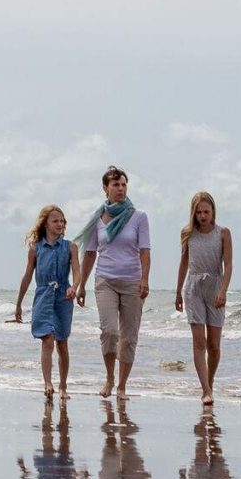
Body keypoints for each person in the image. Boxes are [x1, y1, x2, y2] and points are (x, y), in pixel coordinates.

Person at [73, 167, 151, 399]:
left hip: (132, 282)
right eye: (115, 185)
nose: (120, 189)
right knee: (109, 332)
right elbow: (89, 254)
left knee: (129, 337)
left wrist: (145, 279)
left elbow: (145, 251)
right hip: (105, 280)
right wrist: (81, 285)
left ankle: (122, 386)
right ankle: (109, 377)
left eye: (123, 184)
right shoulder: (96, 220)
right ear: (105, 188)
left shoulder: (139, 217)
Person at [175, 191, 232, 409]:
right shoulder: (187, 233)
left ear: (213, 211)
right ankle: (206, 390)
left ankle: (210, 380)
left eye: (206, 211)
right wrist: (178, 291)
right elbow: (183, 263)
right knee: (199, 342)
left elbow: (229, 265)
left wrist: (223, 290)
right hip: (193, 288)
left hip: (215, 286)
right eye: (198, 212)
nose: (202, 216)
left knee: (214, 345)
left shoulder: (223, 233)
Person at [14, 204, 75, 399]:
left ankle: (63, 386)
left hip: (63, 297)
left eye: (62, 221)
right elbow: (26, 277)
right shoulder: (36, 248)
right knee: (47, 339)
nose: (59, 224)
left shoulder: (70, 246)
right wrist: (18, 304)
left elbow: (78, 272)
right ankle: (48, 383)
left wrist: (75, 287)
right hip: (42, 296)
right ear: (45, 224)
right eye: (55, 221)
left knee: (62, 342)